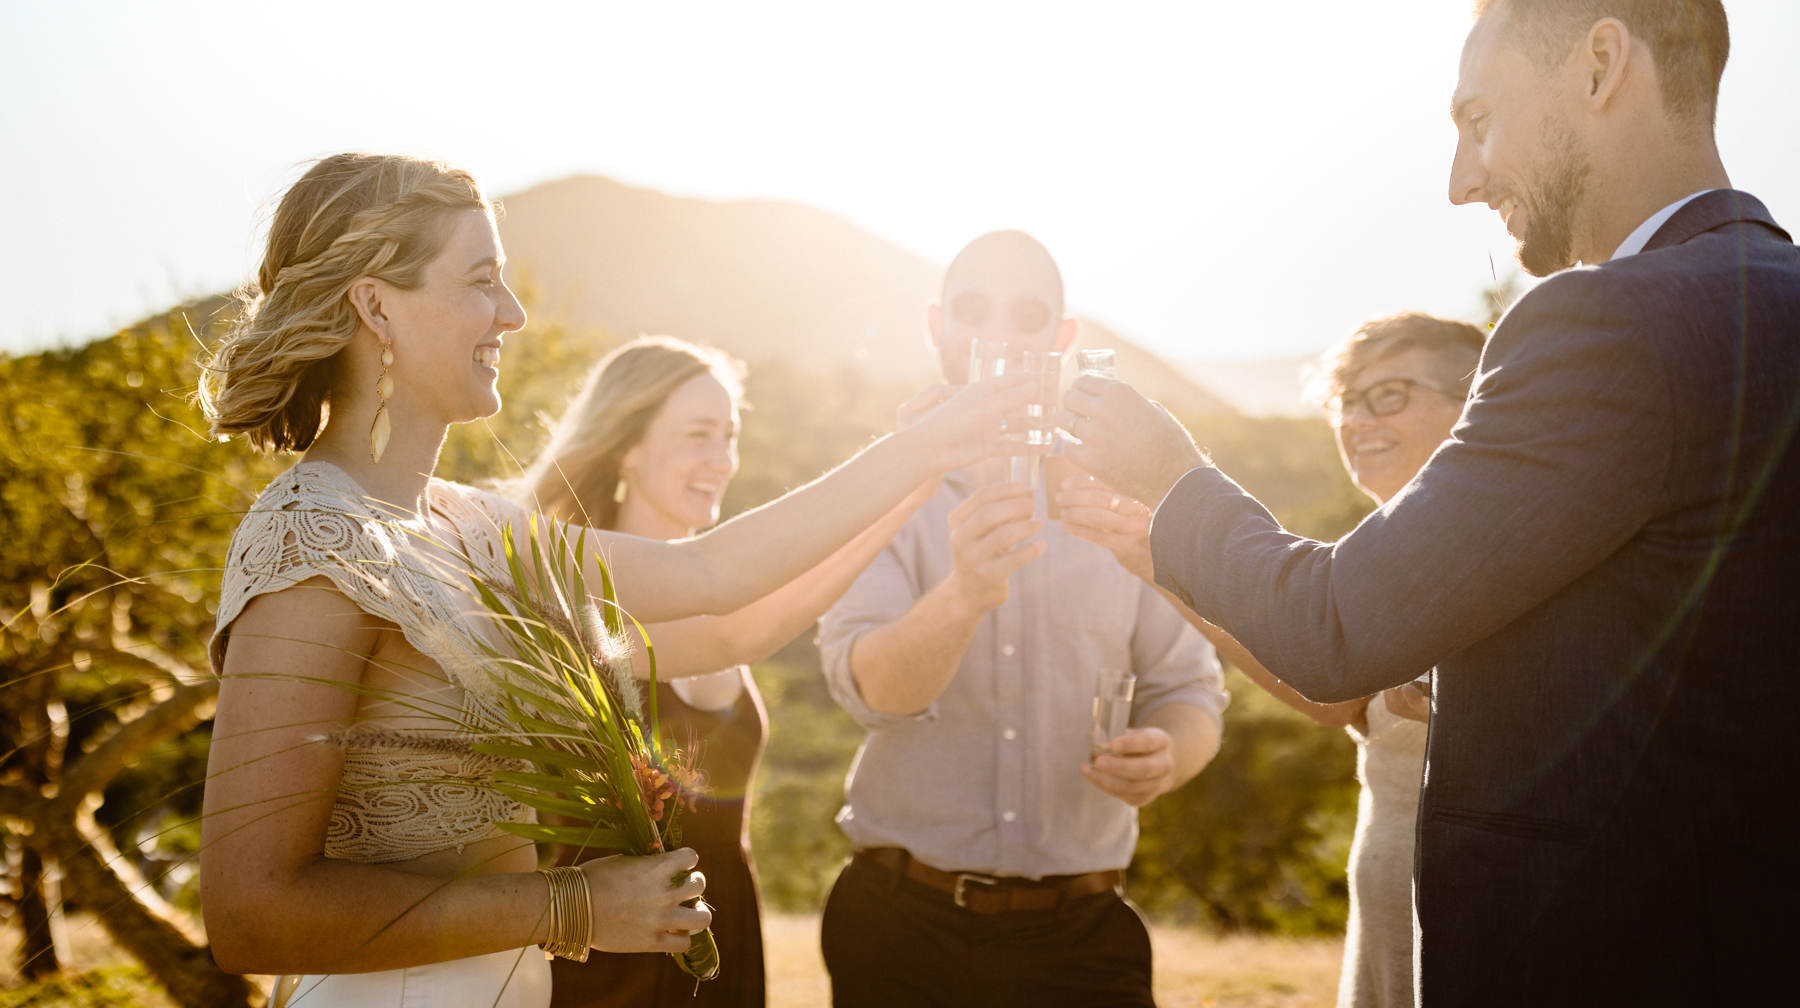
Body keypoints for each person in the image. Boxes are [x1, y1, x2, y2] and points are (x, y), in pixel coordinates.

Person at [1062, 0, 1800, 1005]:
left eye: (1478, 119)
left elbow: (1337, 627)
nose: (1463, 181)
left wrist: (1170, 475)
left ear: (1600, 67)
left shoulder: (1603, 325)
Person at [197, 154, 1029, 1007]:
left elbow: (716, 572)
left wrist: (925, 451)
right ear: (376, 305)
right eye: (482, 281)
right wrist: (575, 906)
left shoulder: (473, 525)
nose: (513, 315)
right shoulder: (311, 546)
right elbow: (249, 913)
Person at [816, 230, 1230, 1007]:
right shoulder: (878, 492)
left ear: (1062, 339)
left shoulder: (1118, 499)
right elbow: (869, 690)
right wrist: (964, 594)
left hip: (1084, 934)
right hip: (899, 926)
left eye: (1027, 315)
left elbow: (1193, 692)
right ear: (937, 326)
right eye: (974, 310)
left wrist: (1168, 753)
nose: (999, 336)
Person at [1057, 312, 1484, 1008]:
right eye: (1346, 400)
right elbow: (1343, 699)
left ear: (1476, 403)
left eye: (1390, 395)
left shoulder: (1489, 548)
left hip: (1463, 921)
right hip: (1391, 924)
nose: (1358, 421)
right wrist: (1151, 557)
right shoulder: (1384, 549)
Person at [516, 337, 928, 1008]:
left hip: (724, 937)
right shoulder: (581, 587)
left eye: (730, 435)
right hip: (612, 961)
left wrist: (917, 481)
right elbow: (750, 616)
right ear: (628, 446)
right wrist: (914, 466)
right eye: (697, 435)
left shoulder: (718, 594)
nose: (721, 459)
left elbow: (762, 599)